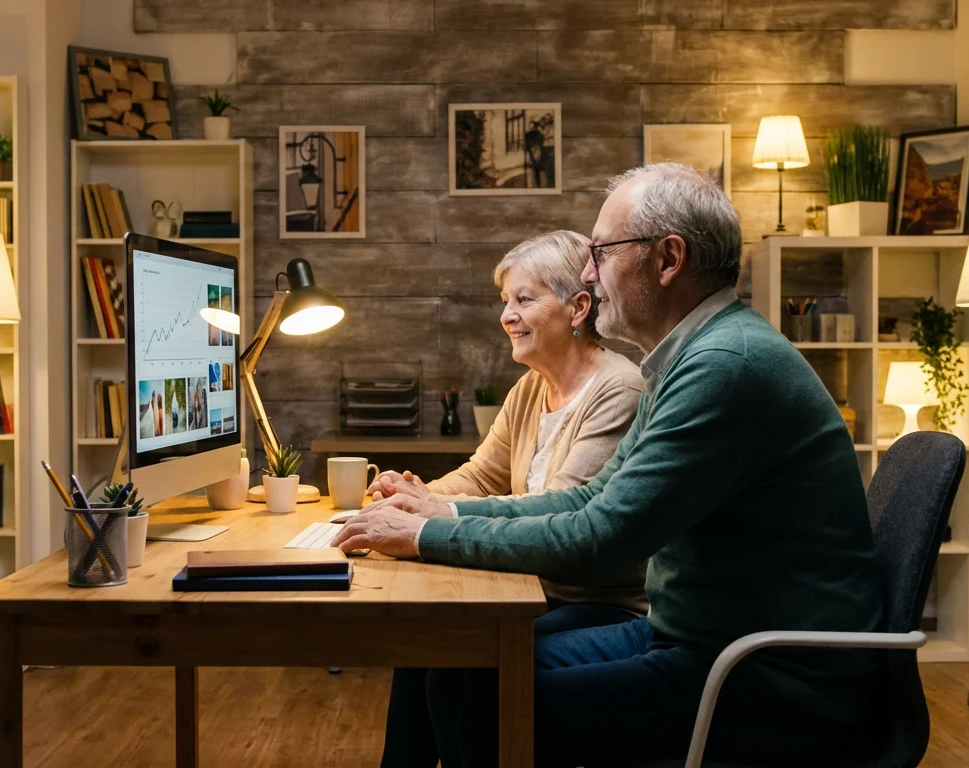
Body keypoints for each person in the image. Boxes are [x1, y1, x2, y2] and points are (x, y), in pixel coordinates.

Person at [335, 163, 887, 767]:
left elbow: (602, 539)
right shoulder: (688, 358)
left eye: (601, 253)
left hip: (769, 677)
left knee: (492, 709)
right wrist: (441, 511)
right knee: (454, 670)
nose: (589, 276)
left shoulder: (725, 365)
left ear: (668, 259)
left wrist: (427, 533)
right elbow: (589, 499)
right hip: (697, 638)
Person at [370, 230, 647, 768]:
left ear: (578, 307)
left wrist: (427, 516)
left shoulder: (620, 389)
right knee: (417, 650)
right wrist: (412, 495)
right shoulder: (530, 387)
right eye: (506, 302)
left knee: (451, 669)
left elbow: (566, 512)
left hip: (593, 601)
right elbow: (480, 477)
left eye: (525, 299)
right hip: (532, 589)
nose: (508, 316)